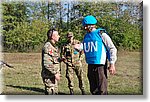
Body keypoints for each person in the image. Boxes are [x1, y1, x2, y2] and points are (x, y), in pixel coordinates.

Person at [82, 15, 117, 95]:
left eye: (86, 26)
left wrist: (112, 63)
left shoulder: (101, 34)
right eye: (84, 26)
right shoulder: (86, 36)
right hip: (90, 64)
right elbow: (84, 46)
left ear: (91, 25)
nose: (85, 28)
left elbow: (112, 48)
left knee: (102, 89)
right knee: (93, 89)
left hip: (100, 65)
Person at [41, 28, 63, 95]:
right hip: (49, 76)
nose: (59, 36)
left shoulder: (53, 46)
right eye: (57, 35)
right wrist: (55, 73)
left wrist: (61, 59)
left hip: (52, 76)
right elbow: (47, 63)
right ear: (52, 37)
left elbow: (53, 59)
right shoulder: (48, 47)